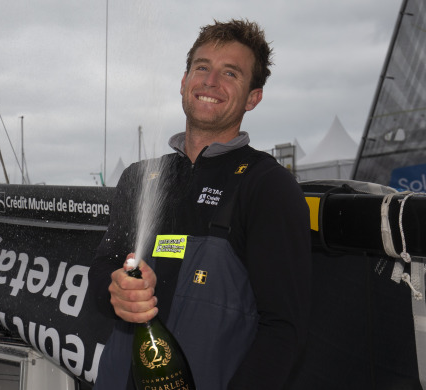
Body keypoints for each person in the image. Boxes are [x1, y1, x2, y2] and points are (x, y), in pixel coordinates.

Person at [88, 19, 312, 389]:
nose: (210, 82)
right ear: (184, 82)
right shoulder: (140, 178)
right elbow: (103, 270)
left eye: (230, 73)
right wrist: (113, 290)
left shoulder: (267, 185)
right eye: (202, 68)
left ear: (253, 97)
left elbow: (284, 331)